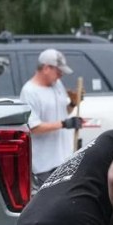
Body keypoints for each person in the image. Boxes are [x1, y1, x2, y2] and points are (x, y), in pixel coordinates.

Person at [20, 48, 84, 186]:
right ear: (46, 68)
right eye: (58, 71)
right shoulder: (29, 92)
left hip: (64, 159)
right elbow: (34, 126)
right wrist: (65, 124)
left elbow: (62, 113)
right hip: (44, 164)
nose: (61, 75)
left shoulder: (57, 85)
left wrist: (73, 104)